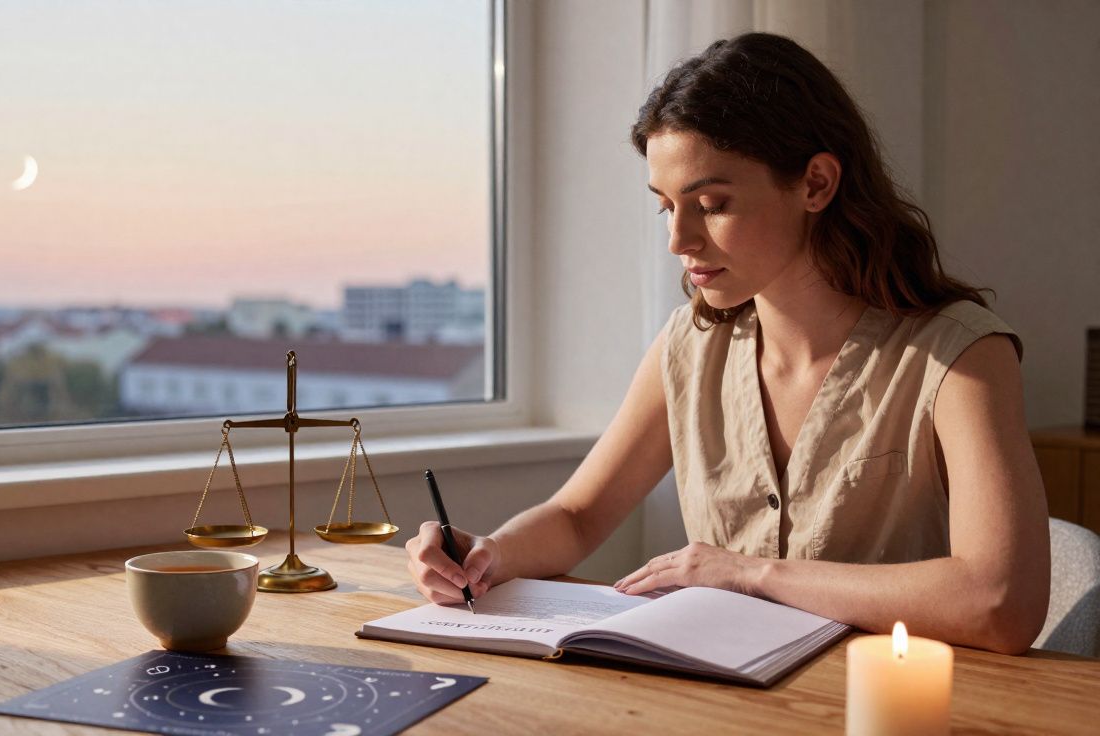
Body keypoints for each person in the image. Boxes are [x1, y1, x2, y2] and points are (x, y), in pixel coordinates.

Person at [405, 32, 1050, 654]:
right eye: (665, 207)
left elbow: (1000, 600)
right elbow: (578, 516)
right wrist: (489, 552)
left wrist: (748, 573)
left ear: (816, 184)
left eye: (710, 203)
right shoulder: (689, 345)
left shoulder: (960, 356)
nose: (678, 240)